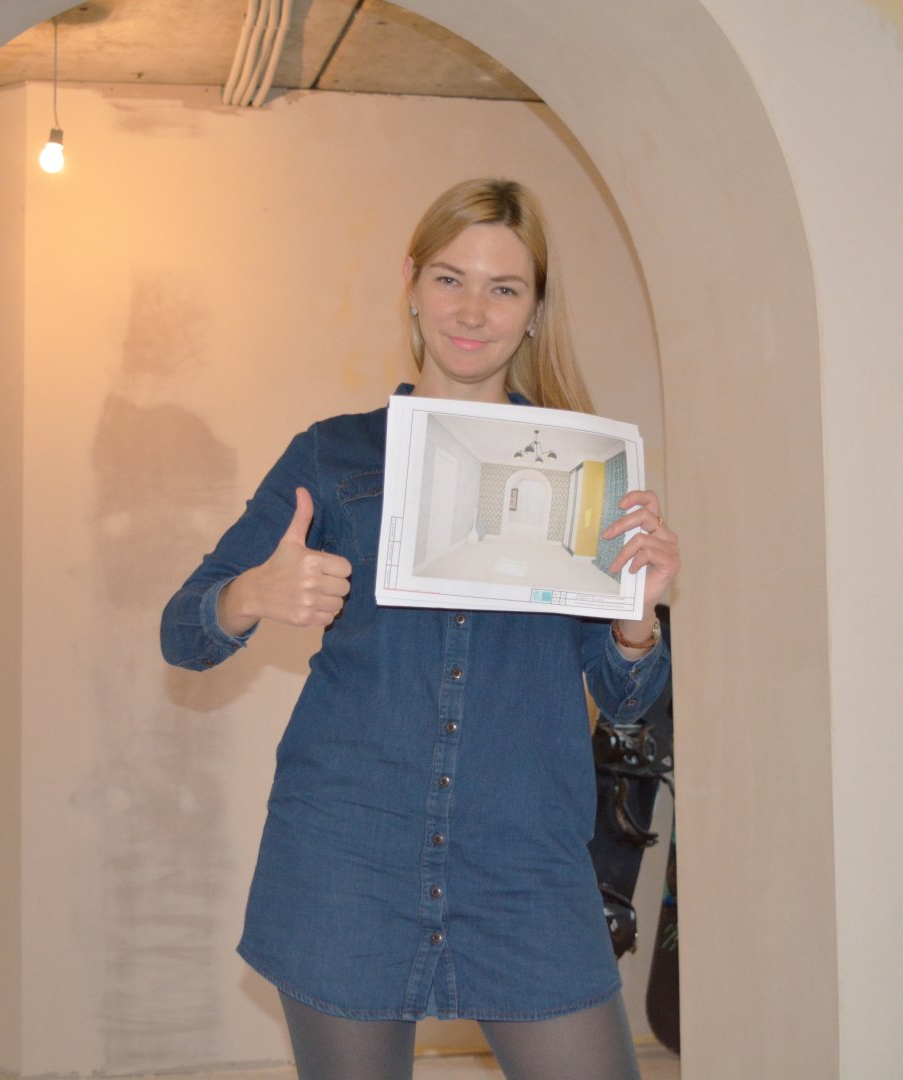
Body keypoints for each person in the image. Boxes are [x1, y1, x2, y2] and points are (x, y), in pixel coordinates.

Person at [161, 179, 681, 1080]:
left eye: (503, 288)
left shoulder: (585, 470)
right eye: (450, 279)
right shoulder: (333, 453)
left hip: (526, 862)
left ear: (535, 310)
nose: (472, 311)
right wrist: (254, 591)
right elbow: (185, 630)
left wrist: (636, 622)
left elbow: (626, 698)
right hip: (346, 857)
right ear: (410, 283)